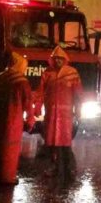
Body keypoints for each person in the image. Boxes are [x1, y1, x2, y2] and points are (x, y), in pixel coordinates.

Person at [0, 51, 36, 186]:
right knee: (9, 149)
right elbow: (28, 104)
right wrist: (30, 121)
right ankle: (7, 177)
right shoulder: (21, 81)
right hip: (12, 121)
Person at [34, 45, 82, 178]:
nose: (58, 61)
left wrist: (78, 111)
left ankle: (68, 169)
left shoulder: (72, 73)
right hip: (51, 114)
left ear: (64, 59)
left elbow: (78, 94)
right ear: (52, 60)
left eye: (60, 59)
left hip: (66, 116)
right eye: (55, 59)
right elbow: (40, 92)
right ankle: (54, 167)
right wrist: (37, 107)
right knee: (51, 143)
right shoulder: (47, 73)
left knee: (65, 144)